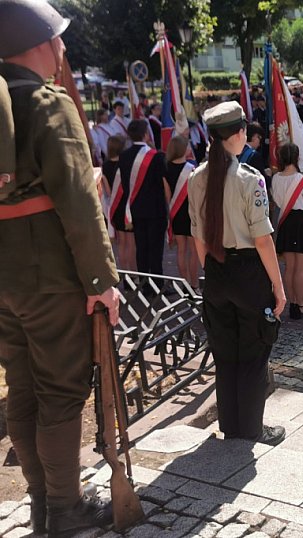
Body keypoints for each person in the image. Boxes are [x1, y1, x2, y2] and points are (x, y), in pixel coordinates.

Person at [0, 0, 120, 533]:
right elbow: (77, 201)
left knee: (23, 390)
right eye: (59, 38)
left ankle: (44, 501)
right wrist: (101, 281)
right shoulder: (48, 103)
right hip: (49, 275)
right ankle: (66, 508)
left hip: (4, 279)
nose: (64, 49)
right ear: (39, 44)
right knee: (61, 392)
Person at [187, 101, 287, 445]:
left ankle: (231, 426)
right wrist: (278, 285)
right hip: (248, 272)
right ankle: (252, 430)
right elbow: (262, 239)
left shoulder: (195, 177)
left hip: (216, 270)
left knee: (225, 352)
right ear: (240, 133)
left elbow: (198, 237)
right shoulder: (250, 179)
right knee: (254, 353)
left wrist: (216, 272)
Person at [271, 143, 303, 320]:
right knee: (301, 269)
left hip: (285, 222)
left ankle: (292, 304)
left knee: (289, 268)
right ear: (297, 157)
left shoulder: (275, 178)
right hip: (302, 223)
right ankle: (301, 306)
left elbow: (278, 202)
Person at [118, 119, 167, 277]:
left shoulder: (124, 156)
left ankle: (144, 284)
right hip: (156, 209)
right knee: (156, 249)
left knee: (142, 247)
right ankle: (158, 284)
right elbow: (163, 183)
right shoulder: (157, 156)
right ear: (146, 134)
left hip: (135, 208)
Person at [162, 135, 199, 292]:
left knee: (181, 250)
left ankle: (184, 285)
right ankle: (194, 286)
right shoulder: (192, 169)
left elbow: (168, 197)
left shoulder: (166, 169)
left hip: (175, 213)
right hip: (191, 213)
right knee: (194, 252)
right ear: (184, 149)